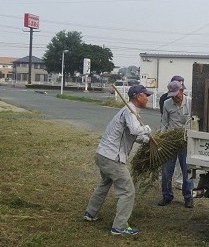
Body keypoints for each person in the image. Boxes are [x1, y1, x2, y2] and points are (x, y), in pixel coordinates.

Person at [83, 84, 153, 235]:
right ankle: (119, 227)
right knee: (128, 190)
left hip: (103, 154)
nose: (147, 98)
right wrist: (147, 129)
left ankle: (90, 213)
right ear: (137, 96)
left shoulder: (130, 111)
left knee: (105, 183)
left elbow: (133, 135)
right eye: (145, 95)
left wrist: (147, 140)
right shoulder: (130, 111)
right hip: (112, 157)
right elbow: (135, 130)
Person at [157, 80, 194, 208]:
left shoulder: (190, 102)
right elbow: (164, 123)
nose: (174, 97)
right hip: (171, 140)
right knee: (167, 170)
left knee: (187, 170)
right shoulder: (167, 104)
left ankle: (188, 197)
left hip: (186, 140)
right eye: (171, 94)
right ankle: (167, 195)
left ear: (182, 91)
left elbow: (194, 121)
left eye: (176, 94)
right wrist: (162, 138)